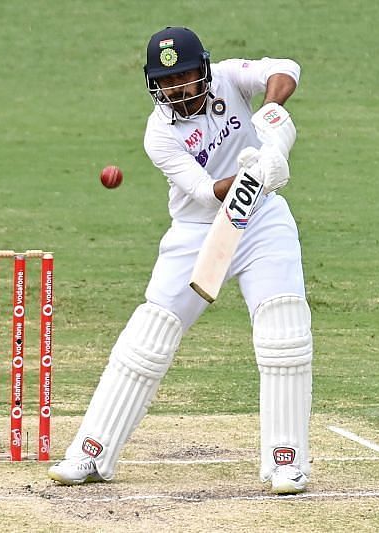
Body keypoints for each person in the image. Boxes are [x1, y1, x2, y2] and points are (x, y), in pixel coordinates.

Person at [49, 27, 312, 494]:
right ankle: (91, 451)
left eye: (185, 76)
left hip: (263, 220)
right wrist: (258, 171)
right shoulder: (159, 134)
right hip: (198, 231)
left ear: (204, 71)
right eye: (166, 81)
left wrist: (271, 117)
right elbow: (205, 192)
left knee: (283, 328)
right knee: (150, 336)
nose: (176, 88)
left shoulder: (230, 78)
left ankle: (285, 462)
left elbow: (286, 69)